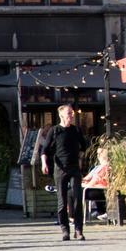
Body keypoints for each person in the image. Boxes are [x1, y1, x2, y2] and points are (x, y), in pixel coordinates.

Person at [41, 104, 86, 242]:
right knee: (62, 201)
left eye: (72, 113)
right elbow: (44, 150)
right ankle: (65, 230)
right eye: (69, 113)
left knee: (78, 198)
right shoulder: (55, 131)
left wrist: (80, 159)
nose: (71, 116)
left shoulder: (76, 130)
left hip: (74, 169)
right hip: (60, 170)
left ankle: (78, 230)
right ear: (61, 116)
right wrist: (44, 163)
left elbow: (84, 146)